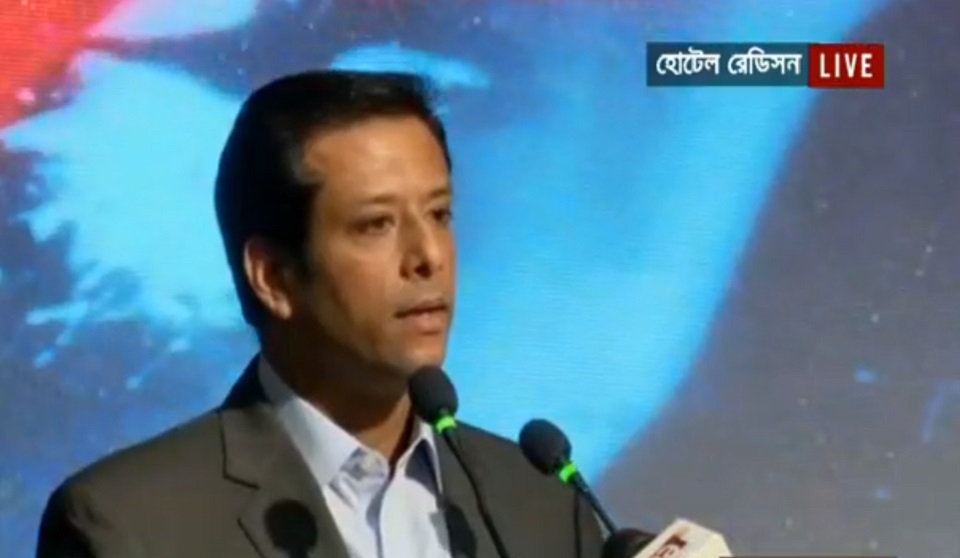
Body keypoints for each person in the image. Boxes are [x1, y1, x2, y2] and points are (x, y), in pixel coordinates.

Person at [36, 70, 604, 558]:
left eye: (439, 214)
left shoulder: (542, 503)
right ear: (273, 277)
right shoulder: (128, 528)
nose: (429, 256)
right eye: (376, 224)